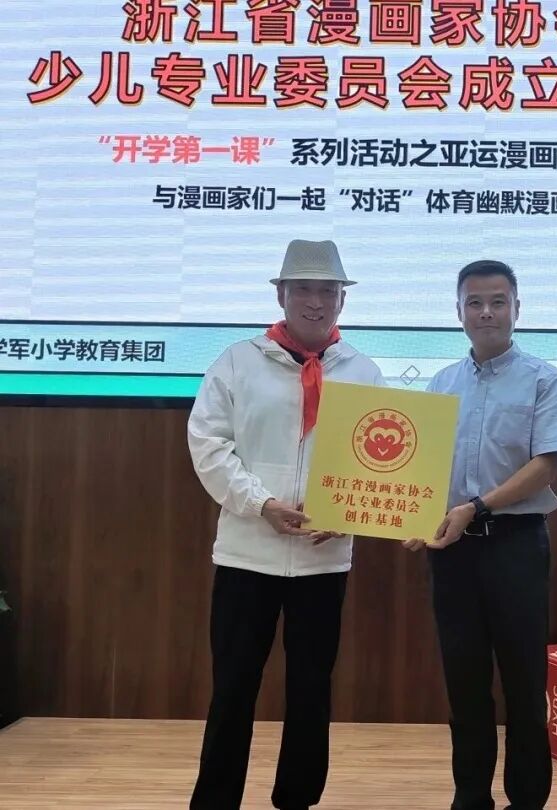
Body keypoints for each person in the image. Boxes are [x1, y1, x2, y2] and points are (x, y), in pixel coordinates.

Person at [187, 239, 386, 810]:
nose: (316, 301)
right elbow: (208, 445)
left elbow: (378, 463)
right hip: (246, 554)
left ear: (343, 299)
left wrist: (349, 511)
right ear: (281, 294)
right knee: (233, 688)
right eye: (303, 289)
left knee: (311, 690)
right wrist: (261, 503)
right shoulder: (236, 362)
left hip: (324, 561)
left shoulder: (364, 372)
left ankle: (297, 799)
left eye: (328, 291)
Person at [402, 260, 557, 810]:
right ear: (458, 312)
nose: (486, 312)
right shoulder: (441, 384)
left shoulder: (544, 379)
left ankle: (527, 798)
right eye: (474, 303)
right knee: (465, 682)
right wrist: (413, 517)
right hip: (452, 551)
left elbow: (546, 465)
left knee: (525, 683)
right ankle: (470, 795)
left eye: (497, 302)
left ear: (516, 309)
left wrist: (477, 507)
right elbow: (424, 470)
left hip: (515, 544)